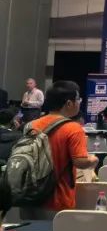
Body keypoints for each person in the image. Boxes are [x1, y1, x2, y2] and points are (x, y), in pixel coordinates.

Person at [13, 80, 97, 220]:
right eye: (78, 99)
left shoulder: (31, 125)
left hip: (28, 197)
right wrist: (93, 160)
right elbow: (80, 162)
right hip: (57, 201)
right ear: (69, 103)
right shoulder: (73, 128)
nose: (79, 103)